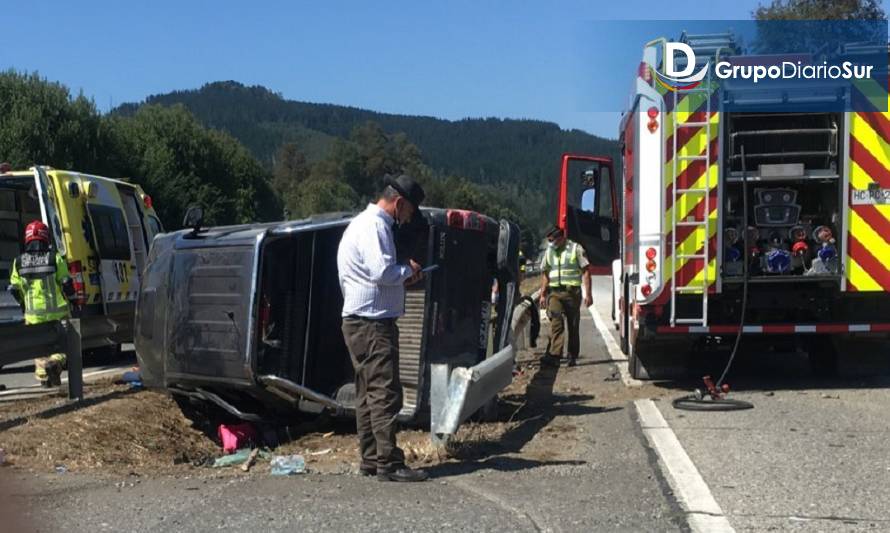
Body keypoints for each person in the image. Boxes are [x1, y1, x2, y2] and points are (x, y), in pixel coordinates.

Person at [337, 174, 429, 483]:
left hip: (358, 319)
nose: (408, 218)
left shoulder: (361, 224)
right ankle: (388, 462)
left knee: (367, 392)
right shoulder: (376, 227)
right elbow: (382, 271)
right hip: (372, 323)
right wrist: (409, 270)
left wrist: (402, 276)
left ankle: (371, 458)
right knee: (385, 392)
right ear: (399, 203)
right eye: (410, 212)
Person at [8, 220, 73, 387]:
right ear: (46, 238)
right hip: (57, 312)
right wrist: (72, 299)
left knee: (39, 349)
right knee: (65, 343)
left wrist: (24, 305)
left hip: (33, 315)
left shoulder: (18, 261)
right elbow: (66, 282)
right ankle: (56, 363)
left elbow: (14, 288)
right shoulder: (55, 258)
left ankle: (45, 379)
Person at [538, 226, 592, 368]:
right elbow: (545, 272)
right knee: (556, 322)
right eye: (549, 240)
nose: (551, 243)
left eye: (552, 240)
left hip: (572, 293)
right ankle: (555, 355)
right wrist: (543, 294)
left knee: (573, 325)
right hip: (554, 293)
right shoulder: (549, 251)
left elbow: (586, 271)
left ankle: (572, 355)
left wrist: (588, 294)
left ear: (561, 237)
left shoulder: (576, 248)